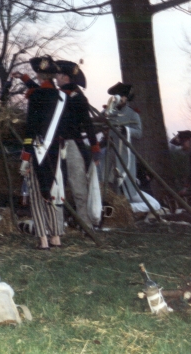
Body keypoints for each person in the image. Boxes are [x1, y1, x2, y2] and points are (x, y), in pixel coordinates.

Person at [11, 56, 65, 250]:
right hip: (56, 151)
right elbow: (44, 90)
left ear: (38, 75)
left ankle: (43, 240)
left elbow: (31, 128)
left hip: (38, 150)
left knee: (36, 194)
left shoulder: (36, 96)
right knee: (52, 192)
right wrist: (25, 79)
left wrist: (25, 155)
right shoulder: (60, 96)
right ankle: (56, 237)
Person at [54, 60, 101, 230]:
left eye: (58, 75)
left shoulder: (78, 97)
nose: (56, 78)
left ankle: (86, 226)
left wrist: (95, 148)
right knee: (56, 188)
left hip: (73, 145)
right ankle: (57, 227)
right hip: (56, 145)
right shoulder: (56, 95)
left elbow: (88, 125)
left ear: (66, 77)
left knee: (79, 188)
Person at [102, 82, 144, 203]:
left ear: (126, 98)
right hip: (109, 150)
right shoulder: (109, 111)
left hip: (124, 153)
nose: (119, 99)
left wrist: (126, 130)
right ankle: (109, 207)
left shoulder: (133, 114)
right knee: (105, 179)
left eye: (121, 96)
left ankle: (125, 207)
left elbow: (139, 132)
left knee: (123, 180)